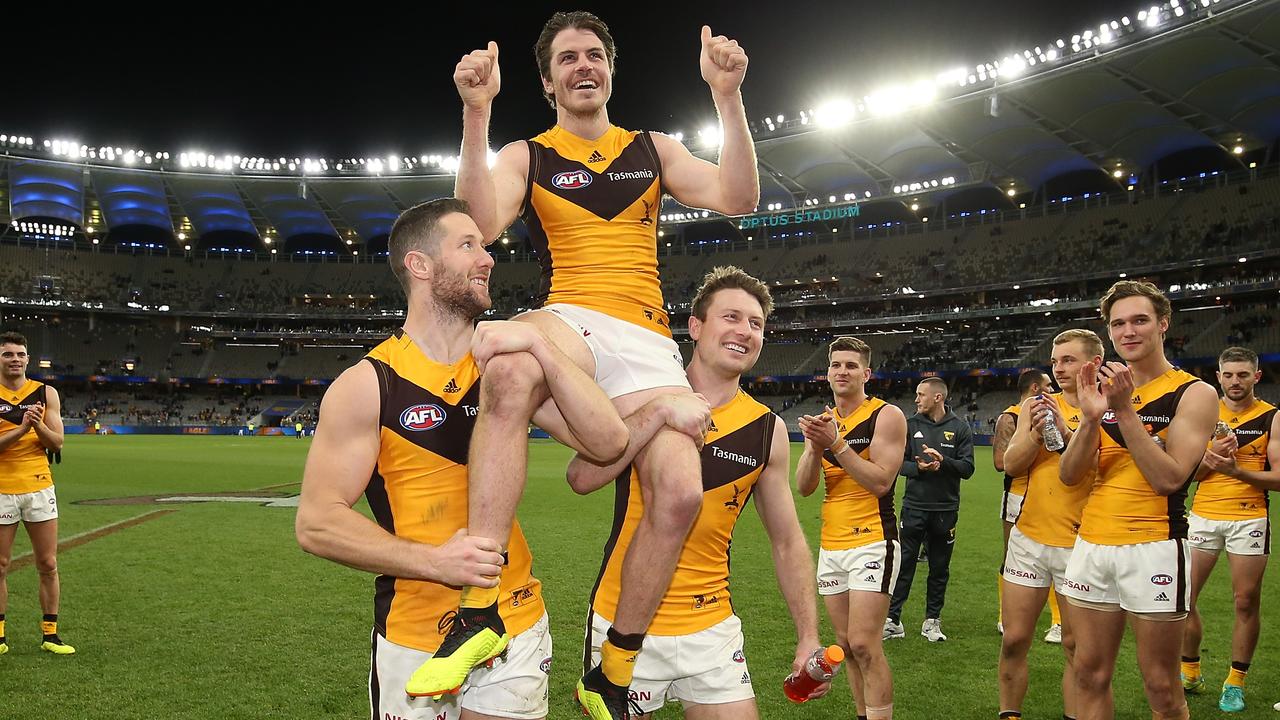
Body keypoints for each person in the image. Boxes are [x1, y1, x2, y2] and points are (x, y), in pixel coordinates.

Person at [415, 12, 760, 719]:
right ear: (546, 81)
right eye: (568, 58)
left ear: (609, 70)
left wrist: (727, 96)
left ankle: (615, 669)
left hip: (645, 337)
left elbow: (739, 197)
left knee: (679, 491)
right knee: (508, 367)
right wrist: (475, 113)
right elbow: (479, 217)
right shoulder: (527, 155)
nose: (583, 66)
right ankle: (479, 612)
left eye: (594, 55)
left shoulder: (652, 149)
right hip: (567, 318)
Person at [295, 199, 627, 720]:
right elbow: (317, 523)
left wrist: (541, 349)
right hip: (415, 633)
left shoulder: (506, 366)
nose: (488, 258)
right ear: (420, 266)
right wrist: (434, 562)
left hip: (513, 620)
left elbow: (608, 443)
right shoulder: (368, 384)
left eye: (486, 245)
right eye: (468, 245)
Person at [567, 266, 823, 718]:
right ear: (696, 326)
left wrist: (808, 635)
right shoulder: (638, 394)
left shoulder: (767, 431)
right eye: (731, 317)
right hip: (623, 623)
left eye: (756, 323)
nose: (744, 331)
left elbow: (786, 541)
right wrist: (659, 412)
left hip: (711, 626)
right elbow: (581, 478)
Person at [1059, 280, 1218, 720]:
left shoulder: (1194, 393)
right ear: (1109, 332)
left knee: (1162, 688)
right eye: (1118, 323)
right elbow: (1070, 476)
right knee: (1088, 673)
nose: (1129, 331)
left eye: (1140, 320)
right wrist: (1091, 420)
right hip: (1092, 544)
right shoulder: (1100, 390)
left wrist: (1125, 410)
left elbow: (1168, 478)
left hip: (1154, 547)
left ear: (1163, 323)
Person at [797, 336, 907, 720]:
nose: (842, 371)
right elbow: (805, 487)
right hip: (833, 543)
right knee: (845, 642)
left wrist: (838, 445)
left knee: (864, 643)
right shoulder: (825, 422)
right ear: (827, 373)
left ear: (867, 373)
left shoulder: (886, 415)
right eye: (836, 365)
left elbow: (880, 482)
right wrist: (814, 448)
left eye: (850, 365)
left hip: (874, 540)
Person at [997, 329, 1105, 720]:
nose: (1059, 368)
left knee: (1076, 646)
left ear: (1093, 363)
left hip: (1083, 543)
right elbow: (1011, 464)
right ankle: (1009, 715)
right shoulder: (1035, 406)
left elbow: (1096, 468)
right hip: (1030, 539)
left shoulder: (1111, 407)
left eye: (1069, 360)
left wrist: (1069, 430)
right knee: (1014, 640)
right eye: (1056, 361)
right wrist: (1039, 431)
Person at [1181, 345, 1278, 713]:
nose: (1235, 382)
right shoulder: (1203, 415)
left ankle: (1235, 681)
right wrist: (1210, 457)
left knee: (1245, 601)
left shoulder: (1272, 417)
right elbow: (1186, 474)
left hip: (1249, 516)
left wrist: (1238, 471)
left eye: (1243, 375)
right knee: (1184, 597)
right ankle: (1190, 670)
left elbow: (1279, 477)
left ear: (1256, 376)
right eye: (1228, 374)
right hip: (1204, 514)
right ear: (1217, 377)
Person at [885, 377, 974, 642]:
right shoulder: (909, 425)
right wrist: (918, 469)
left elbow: (968, 468)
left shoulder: (960, 428)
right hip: (914, 507)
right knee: (904, 565)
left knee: (939, 568)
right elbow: (896, 463)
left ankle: (932, 621)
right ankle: (893, 620)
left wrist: (943, 462)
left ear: (938, 398)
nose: (916, 399)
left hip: (945, 510)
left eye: (921, 395)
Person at [0, 331, 71, 656]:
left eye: (19, 354)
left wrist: (38, 426)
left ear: (28, 359)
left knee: (48, 562)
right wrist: (22, 429)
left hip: (39, 485)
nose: (14, 359)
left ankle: (50, 634)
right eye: (7, 354)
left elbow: (56, 443)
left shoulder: (45, 393)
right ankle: (0, 637)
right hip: (2, 488)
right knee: (0, 565)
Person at [993, 369, 1061, 641]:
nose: (1053, 388)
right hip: (1017, 495)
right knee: (1011, 557)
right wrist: (1030, 449)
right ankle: (1004, 616)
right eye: (1048, 384)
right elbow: (1000, 463)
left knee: (1058, 556)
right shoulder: (1009, 416)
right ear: (1035, 388)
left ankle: (1058, 622)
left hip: (1053, 494)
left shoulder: (1059, 412)